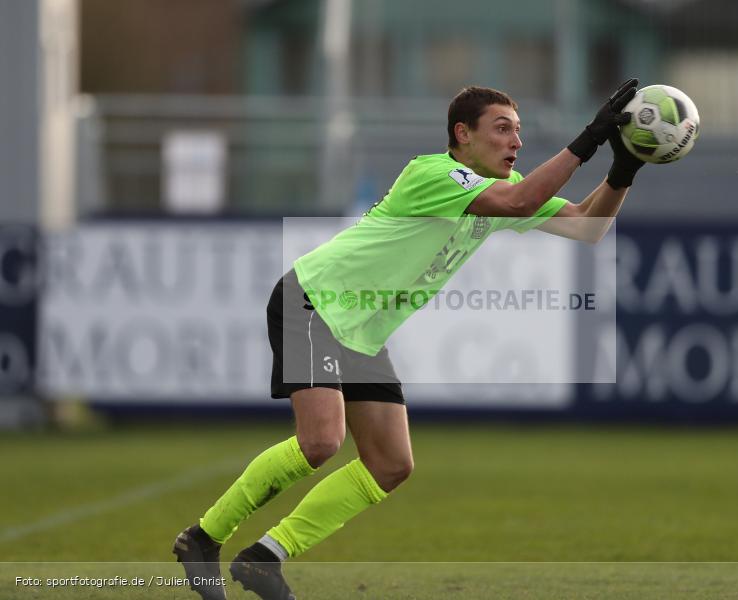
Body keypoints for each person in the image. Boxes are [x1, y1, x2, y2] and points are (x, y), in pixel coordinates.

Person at [173, 78, 644, 600]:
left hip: (362, 333)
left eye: (519, 132)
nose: (516, 142)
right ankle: (202, 537)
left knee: (390, 464)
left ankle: (266, 557)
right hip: (315, 301)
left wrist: (624, 166)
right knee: (321, 442)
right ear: (462, 134)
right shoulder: (435, 173)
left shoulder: (493, 193)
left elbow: (586, 226)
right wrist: (588, 139)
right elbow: (519, 202)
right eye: (503, 129)